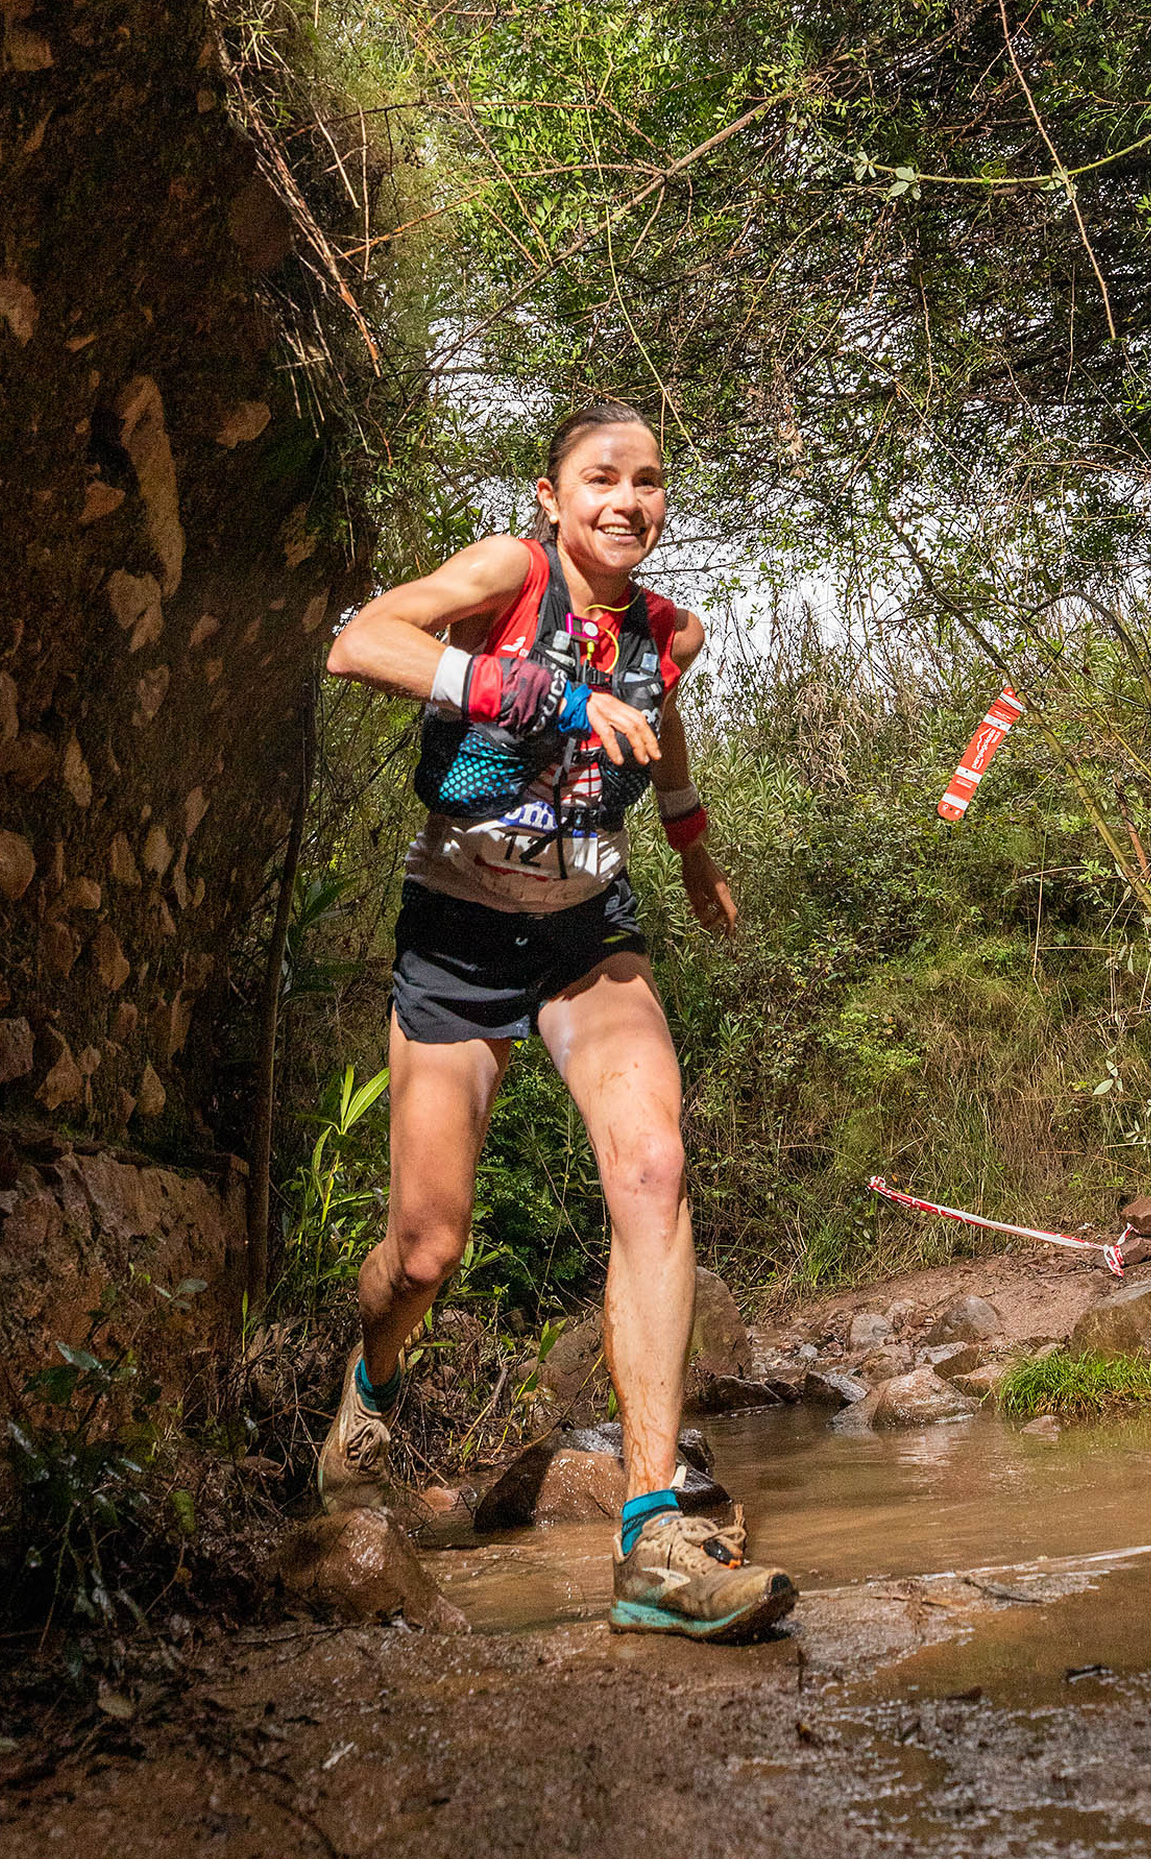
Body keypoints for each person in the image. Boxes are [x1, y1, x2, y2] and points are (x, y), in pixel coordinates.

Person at [321, 398, 795, 1642]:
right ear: (552, 495)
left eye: (648, 480)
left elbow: (662, 718)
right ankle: (369, 1386)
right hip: (458, 934)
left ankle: (652, 1536)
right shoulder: (508, 573)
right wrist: (547, 698)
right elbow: (359, 641)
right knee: (425, 1249)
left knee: (653, 1164)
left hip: (589, 929)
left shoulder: (667, 629)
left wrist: (691, 843)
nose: (626, 499)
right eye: (601, 476)